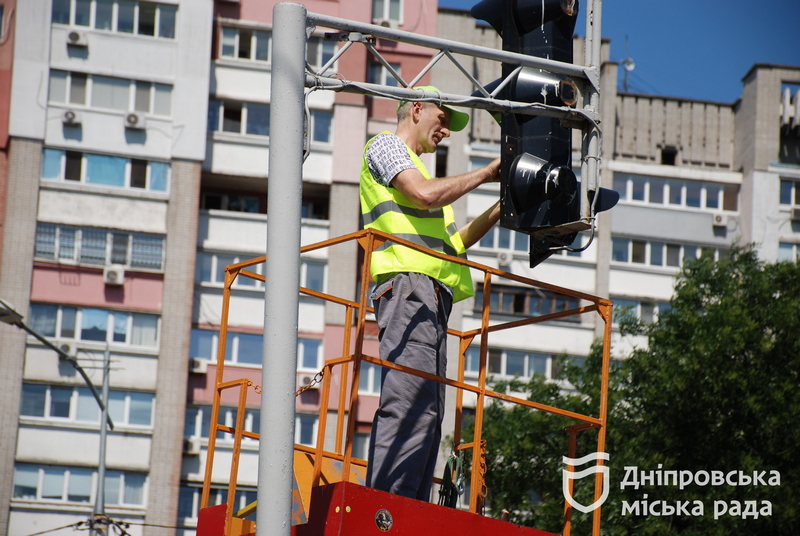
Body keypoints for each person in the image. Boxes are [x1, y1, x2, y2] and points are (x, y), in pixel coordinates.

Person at [360, 86, 502, 501]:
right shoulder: (386, 147)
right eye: (442, 120)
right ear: (417, 110)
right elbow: (422, 193)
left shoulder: (428, 185)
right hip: (409, 290)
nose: (446, 131)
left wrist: (505, 203)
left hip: (429, 298)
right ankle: (387, 507)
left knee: (428, 413)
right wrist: (485, 173)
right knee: (409, 402)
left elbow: (455, 242)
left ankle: (409, 508)